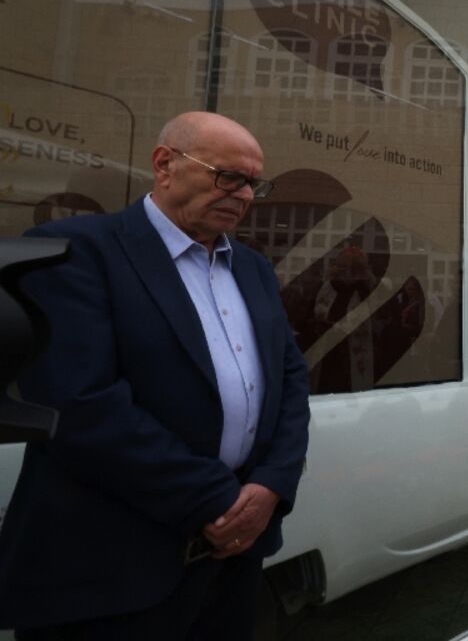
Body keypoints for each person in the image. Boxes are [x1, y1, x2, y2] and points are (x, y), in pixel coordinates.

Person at [0, 112, 311, 638]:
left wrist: (270, 486)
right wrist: (217, 499)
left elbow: (290, 381)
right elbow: (79, 403)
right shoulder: (77, 252)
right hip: (108, 572)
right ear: (165, 165)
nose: (244, 195)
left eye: (254, 183)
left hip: (229, 569)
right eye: (228, 176)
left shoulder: (253, 268)